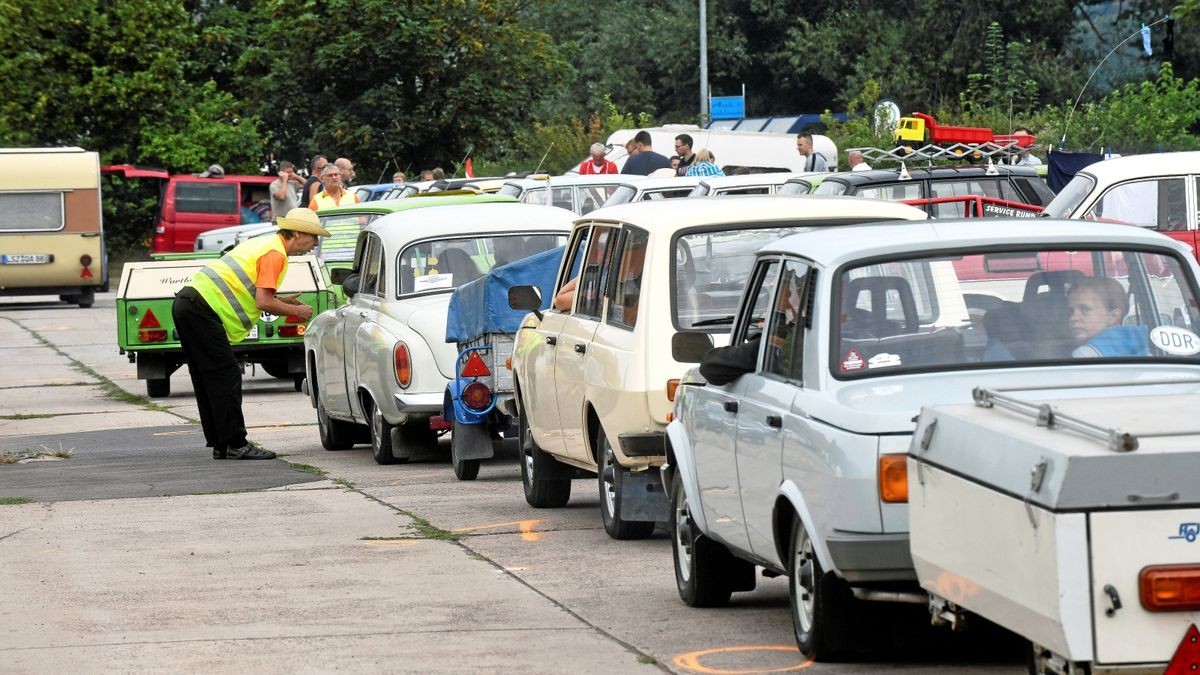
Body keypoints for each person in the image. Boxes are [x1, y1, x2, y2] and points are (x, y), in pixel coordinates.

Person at [172, 208, 330, 460]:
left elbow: (257, 293)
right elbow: (263, 302)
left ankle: (221, 443)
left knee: (209, 378)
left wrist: (284, 300)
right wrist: (294, 312)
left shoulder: (267, 244)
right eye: (314, 238)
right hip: (200, 309)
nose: (315, 245)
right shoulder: (276, 254)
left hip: (189, 304)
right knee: (226, 376)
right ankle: (236, 444)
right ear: (298, 233)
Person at [1067, 277, 1148, 357]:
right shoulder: (1150, 344)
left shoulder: (1084, 355)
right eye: (1071, 312)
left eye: (1085, 309)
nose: (1073, 318)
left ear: (1113, 316)